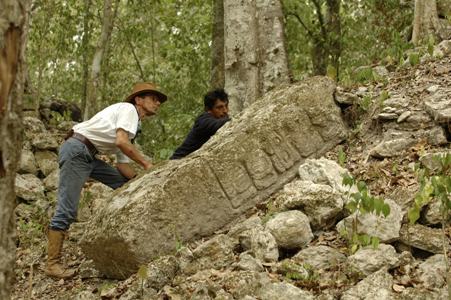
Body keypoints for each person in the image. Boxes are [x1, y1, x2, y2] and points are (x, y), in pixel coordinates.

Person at [44, 82, 167, 278]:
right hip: (77, 150)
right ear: (139, 100)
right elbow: (121, 142)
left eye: (158, 100)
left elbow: (122, 166)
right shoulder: (129, 110)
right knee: (67, 209)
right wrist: (146, 165)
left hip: (88, 155)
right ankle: (52, 264)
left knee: (124, 185)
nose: (158, 103)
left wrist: (139, 181)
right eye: (153, 98)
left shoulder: (129, 126)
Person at [170, 89, 230, 159]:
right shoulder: (203, 120)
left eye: (226, 106)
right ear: (208, 110)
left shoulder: (219, 118)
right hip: (177, 162)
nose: (225, 111)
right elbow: (215, 125)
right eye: (219, 107)